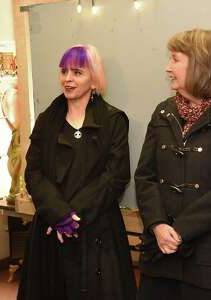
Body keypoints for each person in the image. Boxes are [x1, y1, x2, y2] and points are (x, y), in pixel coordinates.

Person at [17, 45, 136, 300]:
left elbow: (115, 176)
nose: (67, 79)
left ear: (94, 79)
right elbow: (34, 173)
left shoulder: (114, 120)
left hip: (97, 232)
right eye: (63, 71)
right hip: (51, 229)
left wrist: (72, 217)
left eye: (77, 72)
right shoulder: (47, 120)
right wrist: (58, 215)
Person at [135, 28, 211, 300]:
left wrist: (180, 230)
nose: (168, 67)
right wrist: (158, 225)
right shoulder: (163, 111)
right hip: (159, 257)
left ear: (199, 64)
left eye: (175, 59)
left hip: (210, 262)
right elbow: (145, 176)